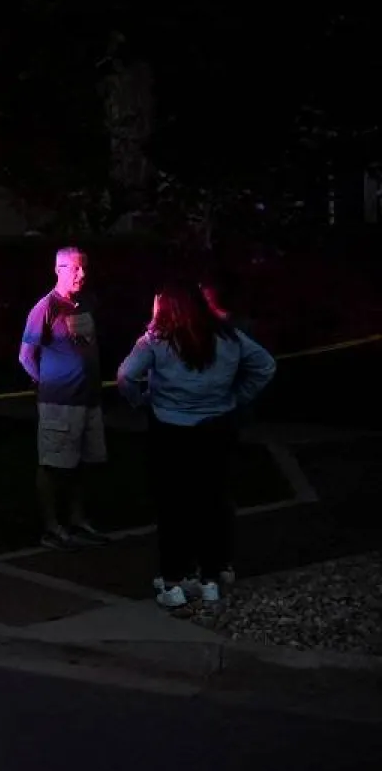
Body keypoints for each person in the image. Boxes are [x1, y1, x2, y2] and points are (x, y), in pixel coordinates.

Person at [116, 279, 277, 608]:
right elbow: (265, 366)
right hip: (217, 427)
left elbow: (125, 376)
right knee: (212, 501)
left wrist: (141, 400)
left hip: (170, 430)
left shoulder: (156, 341)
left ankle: (174, 581)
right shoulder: (228, 337)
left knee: (173, 505)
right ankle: (210, 578)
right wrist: (238, 397)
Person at [18, 246, 110, 550]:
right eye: (75, 268)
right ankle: (51, 527)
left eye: (84, 268)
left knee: (82, 462)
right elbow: (26, 355)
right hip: (59, 403)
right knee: (52, 464)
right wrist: (46, 384)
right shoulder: (45, 308)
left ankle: (77, 520)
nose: (82, 274)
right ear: (59, 269)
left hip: (89, 400)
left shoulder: (86, 303)